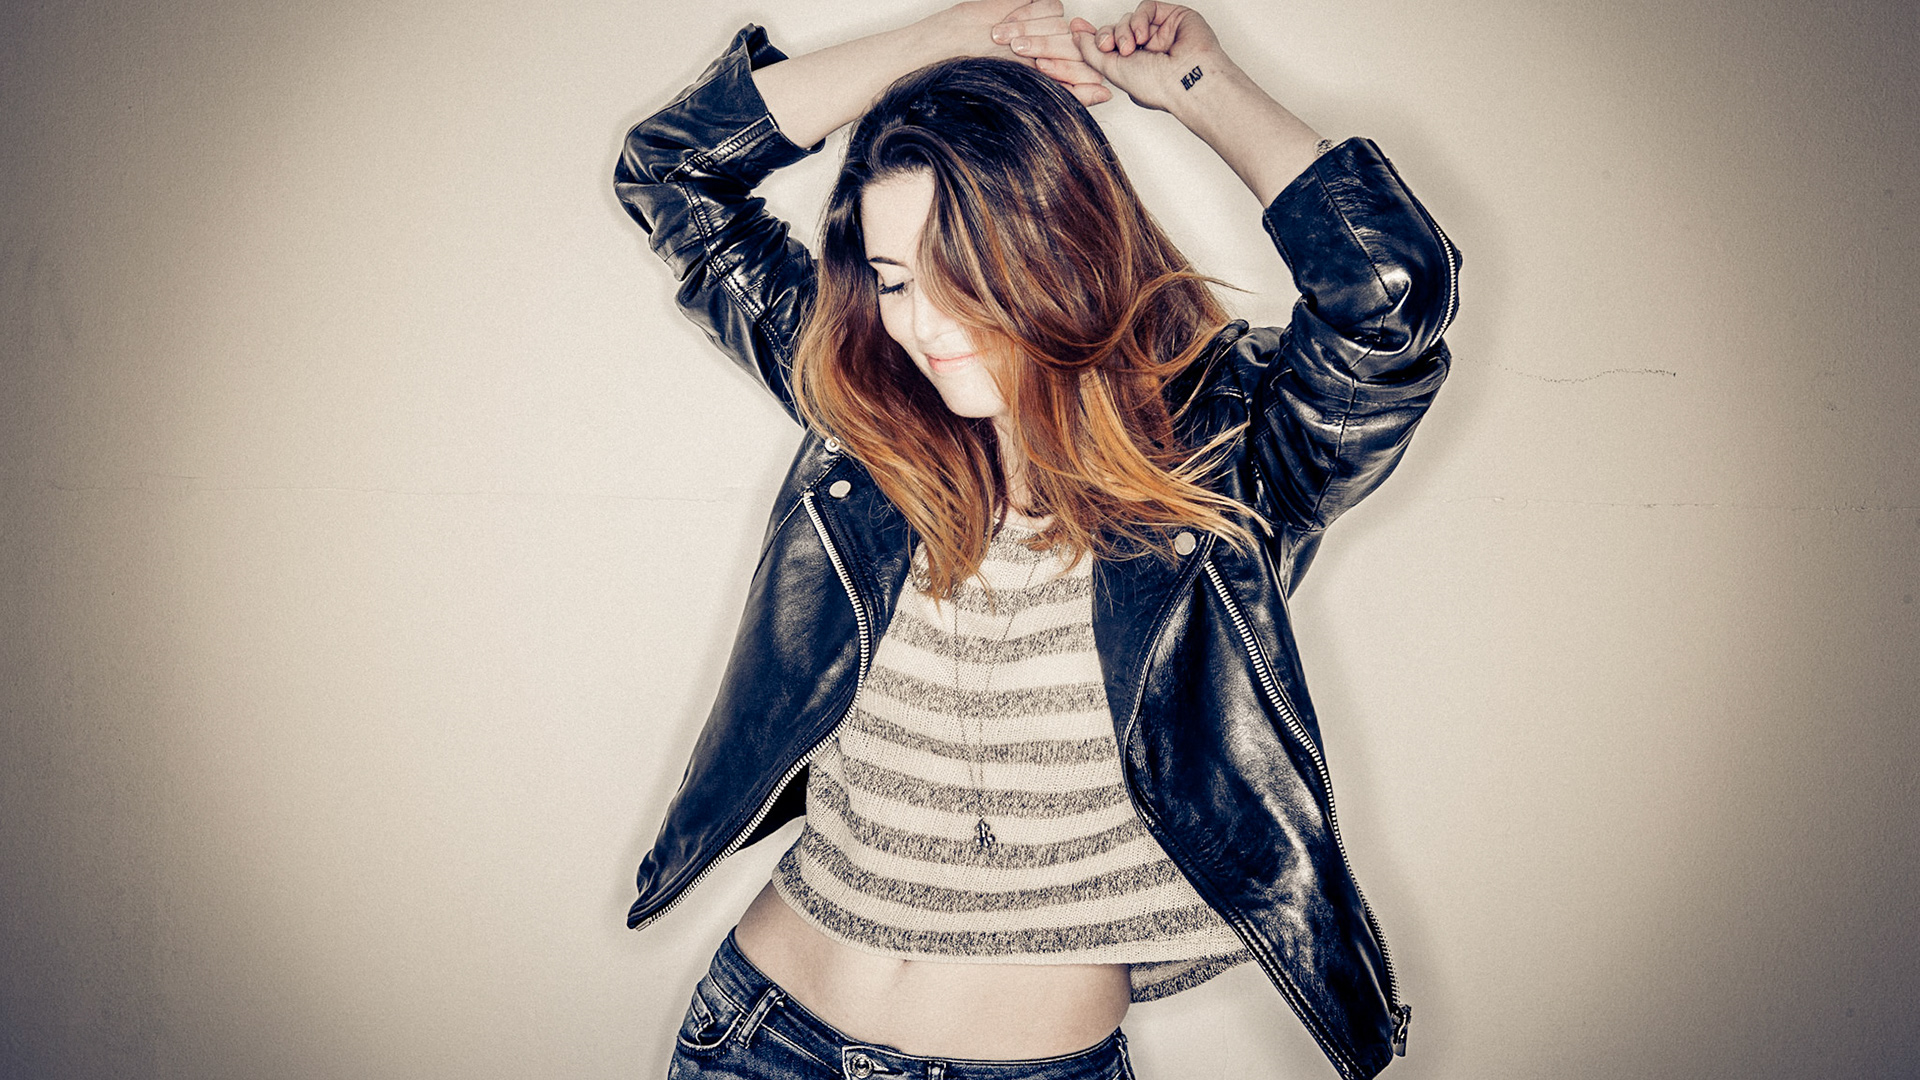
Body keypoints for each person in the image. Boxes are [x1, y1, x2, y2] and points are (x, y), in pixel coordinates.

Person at [612, 3, 1459, 1078]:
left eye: (962, 272)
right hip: (761, 1039)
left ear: (1064, 243)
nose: (925, 326)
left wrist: (1200, 90)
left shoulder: (1228, 452)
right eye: (894, 280)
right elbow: (672, 171)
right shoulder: (869, 410)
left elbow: (1391, 296)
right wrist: (954, 40)